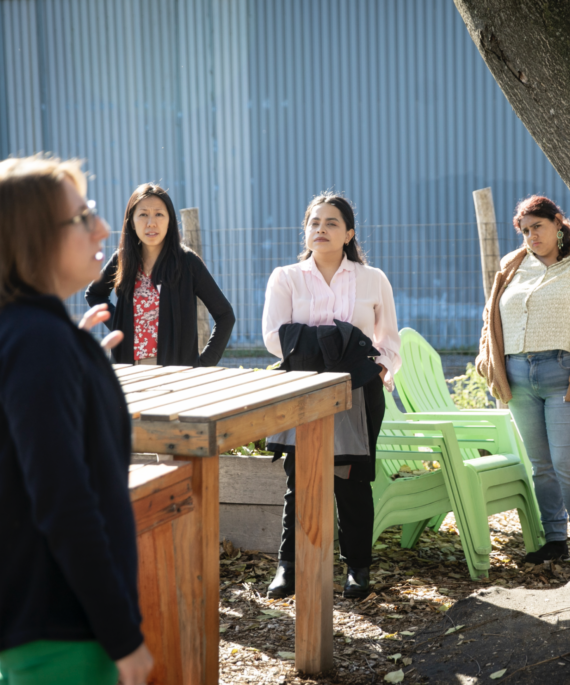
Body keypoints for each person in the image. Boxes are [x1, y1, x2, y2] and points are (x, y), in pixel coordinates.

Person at [0, 155, 153, 684]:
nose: (104, 228)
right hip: (65, 629)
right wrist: (122, 635)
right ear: (29, 235)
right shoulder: (37, 342)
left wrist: (76, 357)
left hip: (28, 619)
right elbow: (64, 502)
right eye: (82, 217)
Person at [261, 192, 401, 600]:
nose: (321, 229)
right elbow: (273, 338)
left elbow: (388, 342)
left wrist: (370, 369)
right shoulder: (285, 277)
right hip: (302, 392)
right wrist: (335, 345)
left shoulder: (372, 279)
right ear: (305, 231)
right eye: (314, 222)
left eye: (331, 223)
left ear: (349, 233)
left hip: (359, 393)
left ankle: (358, 568)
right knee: (299, 480)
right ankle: (289, 566)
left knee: (353, 482)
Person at [475, 195, 570, 570]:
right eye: (526, 230)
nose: (532, 236)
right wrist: (488, 360)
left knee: (568, 463)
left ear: (558, 222)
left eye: (539, 227)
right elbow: (490, 317)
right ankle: (554, 541)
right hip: (518, 375)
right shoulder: (512, 265)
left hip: (565, 373)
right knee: (541, 465)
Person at [86, 183, 234, 366]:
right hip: (129, 373)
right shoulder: (122, 259)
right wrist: (120, 325)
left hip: (176, 377)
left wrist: (203, 364)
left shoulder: (187, 262)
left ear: (170, 220)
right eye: (143, 214)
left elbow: (225, 315)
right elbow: (94, 293)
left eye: (159, 214)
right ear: (131, 221)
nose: (151, 223)